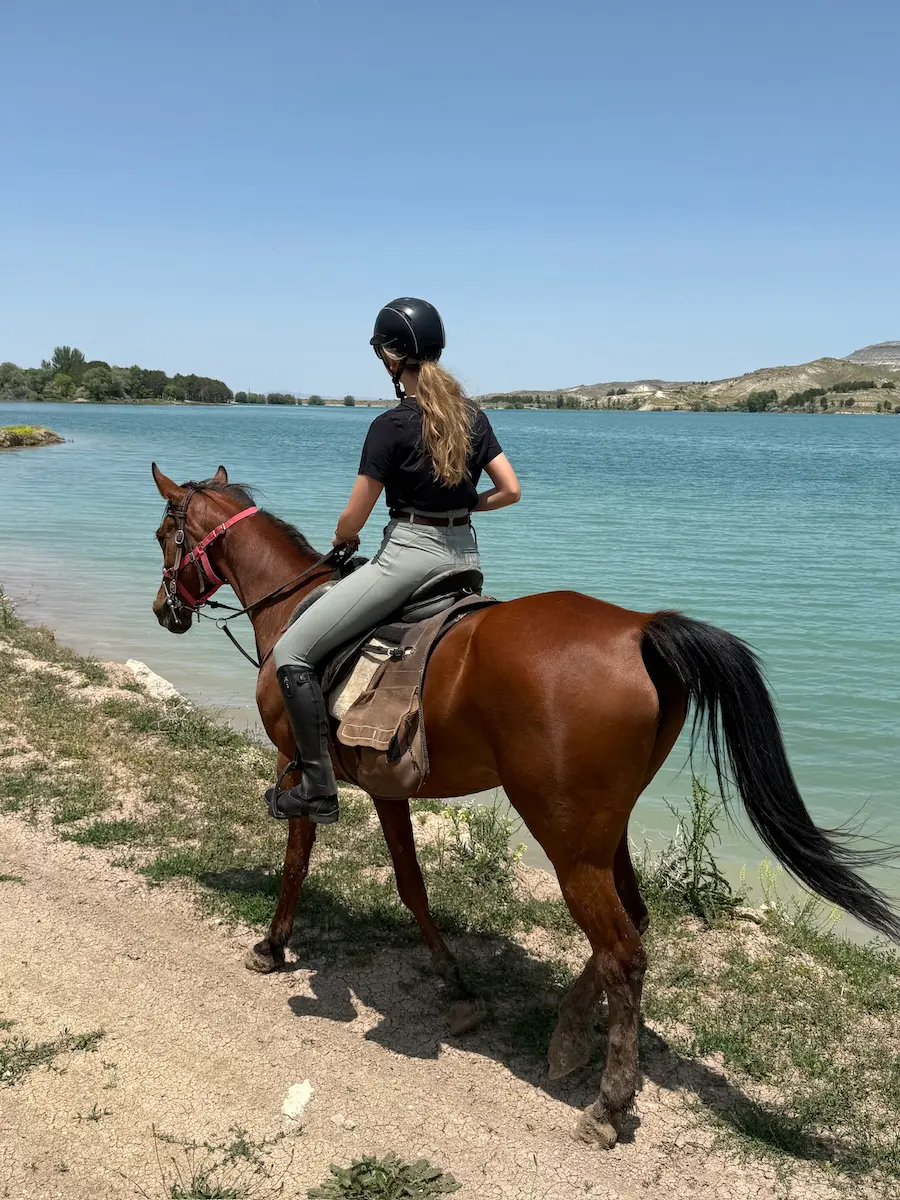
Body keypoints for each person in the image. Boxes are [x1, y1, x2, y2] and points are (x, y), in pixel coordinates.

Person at [266, 297, 521, 825]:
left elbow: (355, 516)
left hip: (408, 557)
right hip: (465, 558)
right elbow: (510, 490)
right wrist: (463, 507)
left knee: (291, 651)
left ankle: (316, 788)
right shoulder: (473, 418)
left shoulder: (390, 424)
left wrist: (344, 537)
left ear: (391, 355)